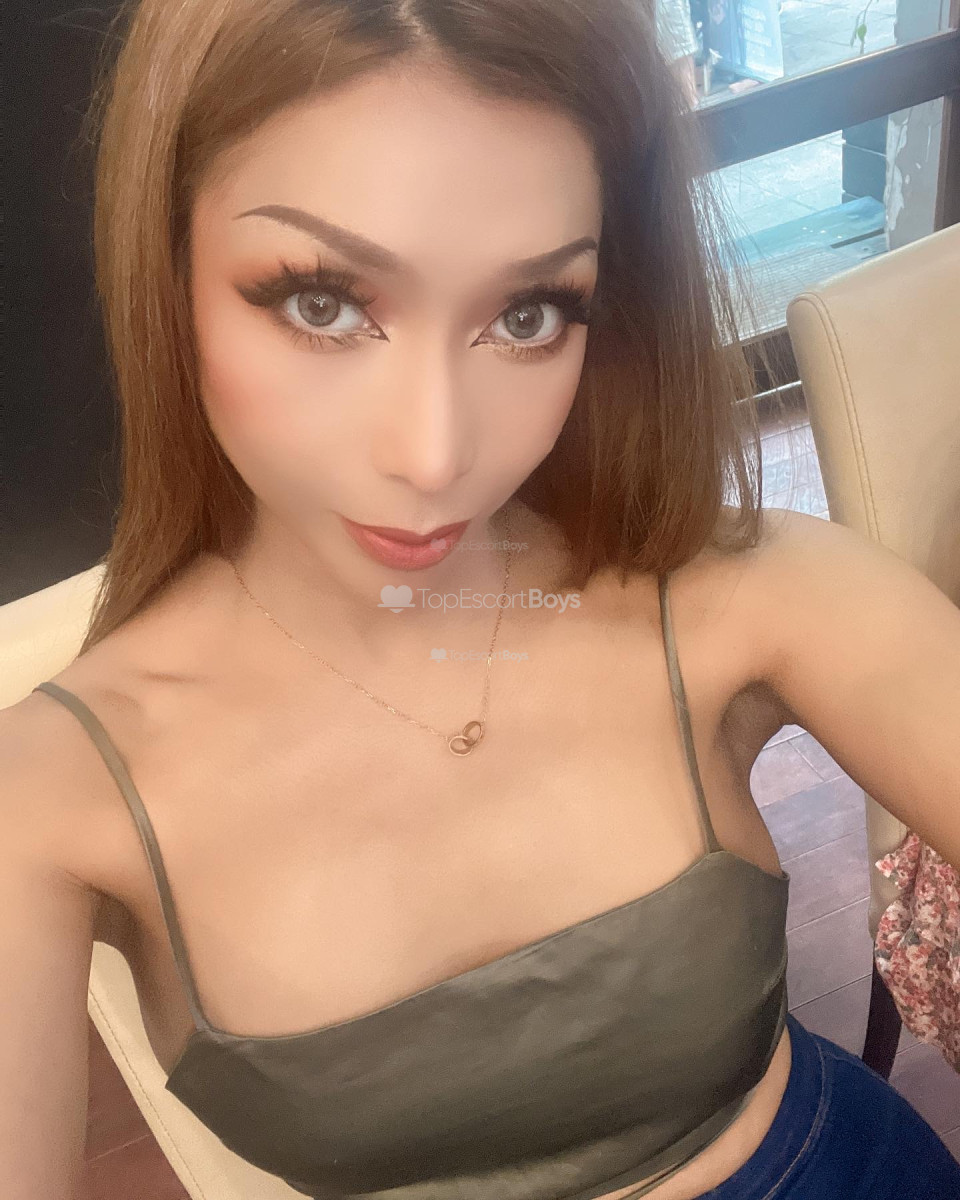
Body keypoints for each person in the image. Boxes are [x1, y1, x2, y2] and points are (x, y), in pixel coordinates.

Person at [3, 1, 960, 1197]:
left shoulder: (752, 596)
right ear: (169, 268)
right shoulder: (48, 800)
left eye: (527, 314)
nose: (434, 453)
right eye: (321, 302)